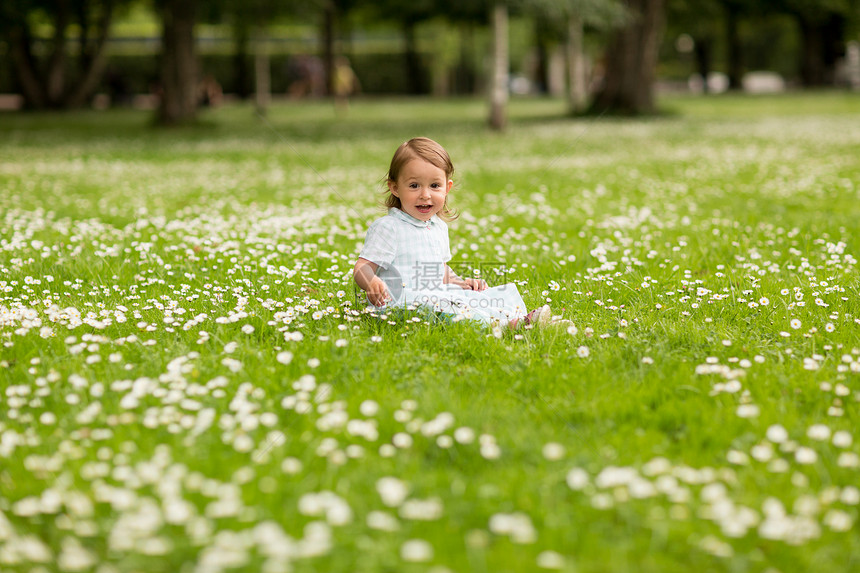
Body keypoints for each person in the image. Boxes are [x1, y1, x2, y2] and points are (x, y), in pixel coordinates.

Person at [353, 137, 553, 330]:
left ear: (447, 187)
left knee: (477, 298)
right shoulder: (389, 227)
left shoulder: (438, 226)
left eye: (434, 185)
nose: (425, 194)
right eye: (414, 185)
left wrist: (460, 282)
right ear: (395, 188)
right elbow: (362, 267)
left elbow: (439, 269)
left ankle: (521, 319)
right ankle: (508, 326)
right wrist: (372, 282)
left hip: (435, 296)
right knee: (444, 312)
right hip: (401, 304)